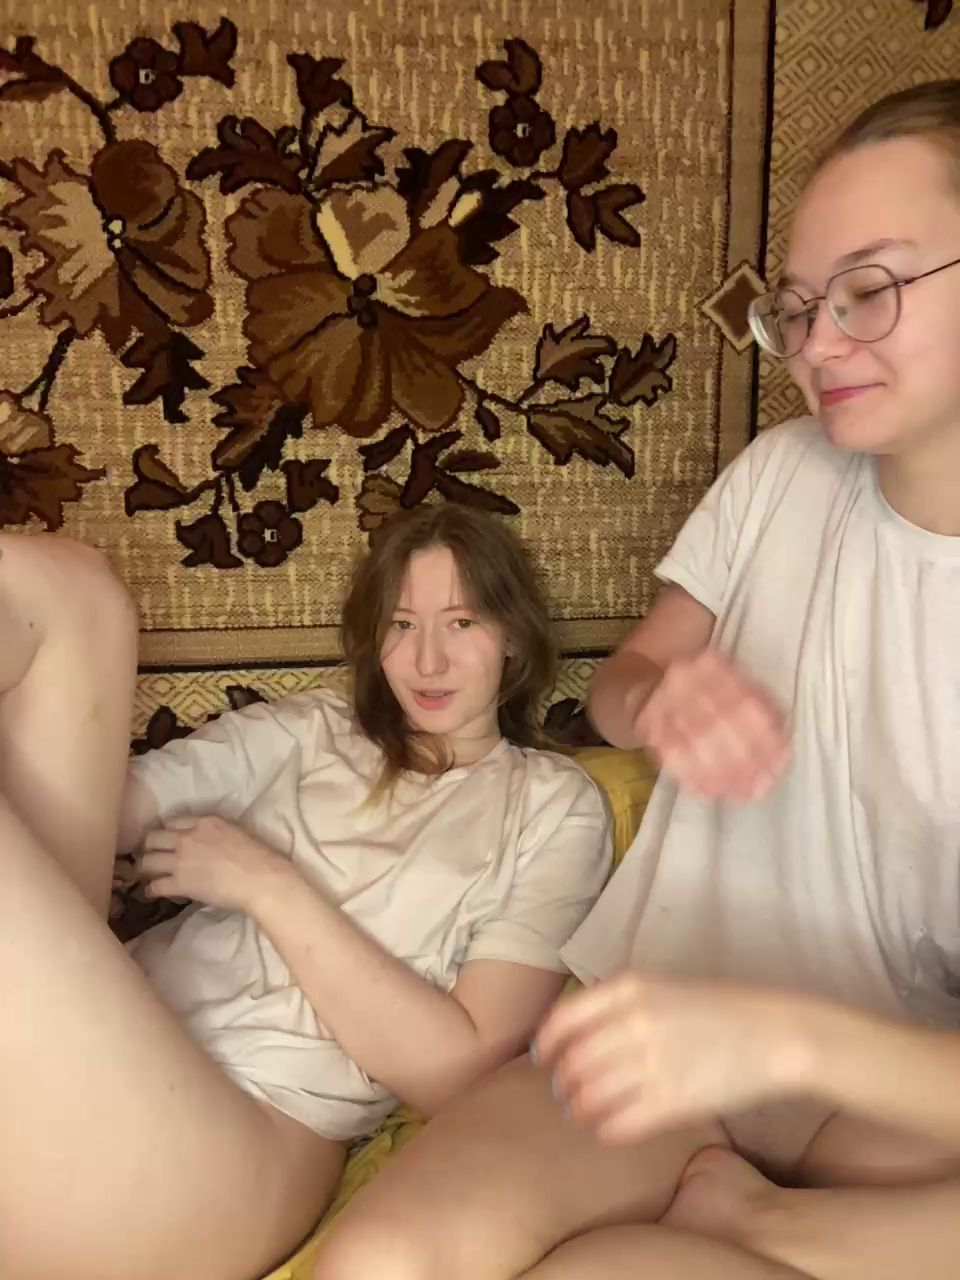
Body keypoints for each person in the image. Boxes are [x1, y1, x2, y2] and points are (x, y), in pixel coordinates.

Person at [312, 80, 960, 1280]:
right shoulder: (784, 473)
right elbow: (625, 684)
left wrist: (779, 1040)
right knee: (384, 1262)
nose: (818, 346)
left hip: (874, 1095)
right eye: (797, 308)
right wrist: (661, 696)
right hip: (650, 1032)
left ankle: (766, 1227)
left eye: (868, 290)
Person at [0, 504, 612, 1280]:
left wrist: (262, 883)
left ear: (513, 637)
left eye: (461, 623)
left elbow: (455, 1072)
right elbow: (92, 806)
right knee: (71, 592)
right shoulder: (318, 729)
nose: (427, 660)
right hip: (96, 1042)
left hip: (233, 1143)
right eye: (401, 625)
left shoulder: (554, 806)